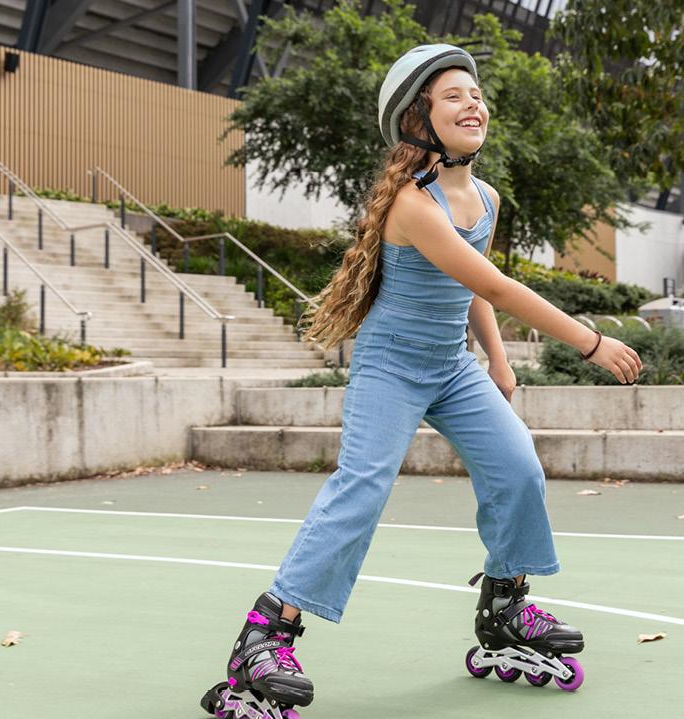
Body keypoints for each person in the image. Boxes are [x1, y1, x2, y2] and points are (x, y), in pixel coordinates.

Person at [201, 43, 643, 718]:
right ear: (419, 119)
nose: (474, 103)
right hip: (392, 364)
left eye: (476, 92)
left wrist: (497, 359)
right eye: (453, 96)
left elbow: (474, 293)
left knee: (518, 467)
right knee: (363, 485)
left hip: (451, 365)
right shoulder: (413, 204)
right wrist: (590, 341)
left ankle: (504, 603)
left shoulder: (485, 198)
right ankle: (266, 633)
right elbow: (490, 279)